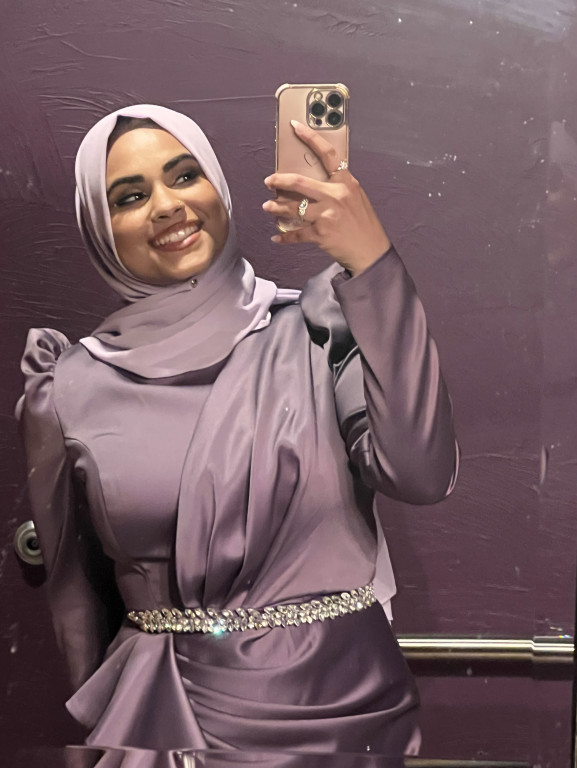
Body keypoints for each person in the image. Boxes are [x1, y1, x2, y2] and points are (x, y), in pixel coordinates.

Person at [18, 104, 458, 755]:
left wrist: (373, 267)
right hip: (166, 720)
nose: (167, 205)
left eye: (184, 175)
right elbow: (75, 601)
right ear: (100, 229)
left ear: (218, 188)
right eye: (130, 197)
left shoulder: (319, 331)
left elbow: (419, 474)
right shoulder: (67, 388)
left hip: (343, 715)